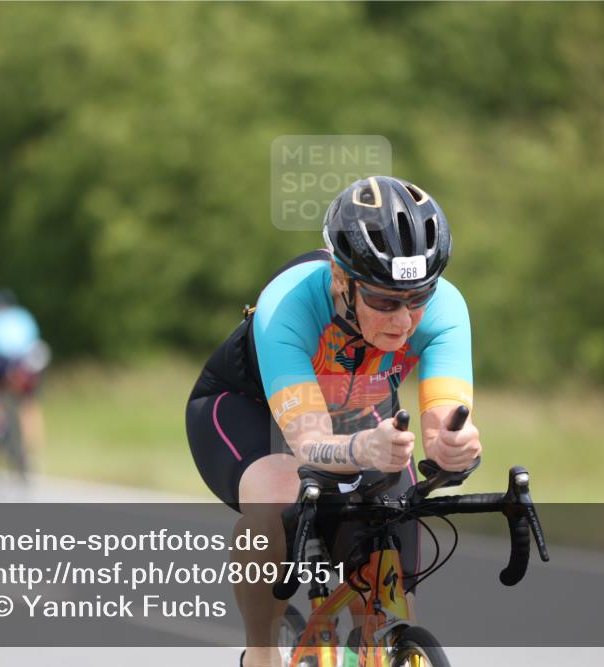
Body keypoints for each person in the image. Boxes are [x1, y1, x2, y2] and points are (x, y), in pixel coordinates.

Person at [185, 176, 482, 667]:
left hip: (358, 415)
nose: (404, 320)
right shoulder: (290, 303)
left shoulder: (446, 308)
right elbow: (308, 444)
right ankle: (261, 656)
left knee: (394, 521)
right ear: (341, 280)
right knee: (278, 498)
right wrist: (361, 451)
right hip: (250, 411)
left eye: (417, 298)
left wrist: (456, 445)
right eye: (384, 301)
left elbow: (443, 423)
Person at [0, 289, 50, 472]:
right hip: (28, 364)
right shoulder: (23, 316)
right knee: (29, 405)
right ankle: (32, 450)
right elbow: (34, 342)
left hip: (2, 363)